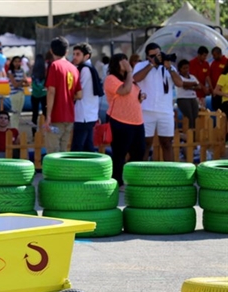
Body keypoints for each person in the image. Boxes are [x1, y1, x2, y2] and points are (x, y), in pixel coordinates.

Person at [132, 42, 183, 161]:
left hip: (165, 111)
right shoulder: (141, 65)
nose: (157, 57)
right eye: (153, 55)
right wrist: (151, 64)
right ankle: (141, 173)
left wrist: (169, 67)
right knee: (145, 143)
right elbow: (136, 78)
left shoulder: (168, 67)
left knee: (167, 143)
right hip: (145, 110)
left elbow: (180, 83)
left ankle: (169, 172)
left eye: (158, 54)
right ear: (147, 56)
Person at [104, 54, 145, 189]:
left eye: (126, 60)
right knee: (119, 153)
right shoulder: (111, 79)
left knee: (139, 152)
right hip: (119, 121)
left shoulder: (130, 78)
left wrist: (141, 96)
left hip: (136, 121)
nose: (126, 63)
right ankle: (117, 181)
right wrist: (129, 71)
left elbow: (133, 95)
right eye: (123, 60)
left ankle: (133, 179)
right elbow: (125, 91)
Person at [43, 37, 82, 154]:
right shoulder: (74, 68)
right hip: (69, 117)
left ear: (51, 50)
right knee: (63, 152)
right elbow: (79, 95)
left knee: (53, 153)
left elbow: (51, 92)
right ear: (67, 52)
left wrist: (48, 116)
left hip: (56, 116)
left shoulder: (54, 66)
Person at [71, 42, 101, 152]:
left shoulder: (84, 69)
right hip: (89, 114)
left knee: (77, 148)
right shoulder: (89, 67)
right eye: (73, 54)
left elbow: (78, 93)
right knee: (88, 147)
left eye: (78, 54)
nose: (74, 57)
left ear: (86, 56)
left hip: (83, 114)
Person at [176, 59, 201, 130]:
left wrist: (189, 86)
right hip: (183, 98)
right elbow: (183, 84)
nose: (186, 70)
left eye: (187, 67)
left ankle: (194, 134)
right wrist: (193, 84)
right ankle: (189, 134)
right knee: (189, 117)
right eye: (184, 68)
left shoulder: (192, 77)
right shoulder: (178, 77)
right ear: (180, 69)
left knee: (195, 117)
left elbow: (199, 87)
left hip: (193, 98)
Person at [7, 56, 29, 130]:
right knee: (15, 113)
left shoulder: (22, 70)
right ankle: (14, 130)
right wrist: (22, 81)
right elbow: (15, 85)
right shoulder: (10, 72)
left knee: (18, 114)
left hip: (21, 93)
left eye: (18, 61)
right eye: (15, 61)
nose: (17, 63)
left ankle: (16, 130)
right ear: (12, 62)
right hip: (14, 94)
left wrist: (22, 82)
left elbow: (27, 83)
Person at [30, 54, 47, 136]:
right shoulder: (45, 70)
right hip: (44, 94)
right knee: (45, 113)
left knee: (34, 114)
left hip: (34, 94)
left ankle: (34, 133)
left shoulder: (33, 70)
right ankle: (46, 131)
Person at [210, 47, 228, 112]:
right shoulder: (213, 63)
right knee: (216, 108)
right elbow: (210, 76)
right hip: (216, 90)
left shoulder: (226, 61)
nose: (213, 57)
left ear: (219, 53)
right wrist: (212, 89)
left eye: (214, 55)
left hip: (223, 91)